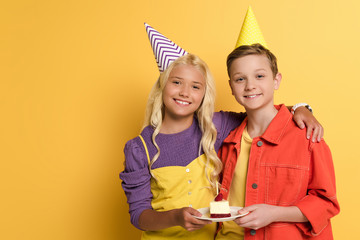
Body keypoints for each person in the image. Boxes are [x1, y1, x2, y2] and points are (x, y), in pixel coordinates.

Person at [120, 23, 323, 240]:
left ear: (203, 94)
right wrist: (175, 217)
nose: (185, 92)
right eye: (176, 82)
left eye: (196, 86)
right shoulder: (139, 148)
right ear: (162, 86)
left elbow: (261, 111)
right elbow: (138, 215)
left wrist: (300, 108)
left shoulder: (214, 125)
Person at [215, 44, 340, 240]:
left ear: (276, 80)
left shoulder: (307, 135)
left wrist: (274, 214)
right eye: (240, 79)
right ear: (231, 87)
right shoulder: (227, 140)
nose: (250, 85)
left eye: (259, 76)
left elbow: (326, 203)